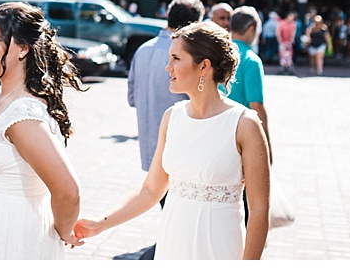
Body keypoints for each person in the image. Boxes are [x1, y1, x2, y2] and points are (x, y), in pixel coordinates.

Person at [74, 21, 271, 260]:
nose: (168, 67)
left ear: (204, 66)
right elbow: (150, 190)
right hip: (172, 244)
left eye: (176, 58)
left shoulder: (244, 124)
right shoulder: (172, 117)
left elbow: (260, 210)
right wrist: (100, 224)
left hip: (219, 248)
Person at [0, 2, 85, 259]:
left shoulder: (24, 117)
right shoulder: (0, 93)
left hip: (12, 235)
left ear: (22, 49)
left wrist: (62, 233)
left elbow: (68, 191)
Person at [126, 0, 204, 259]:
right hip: (183, 149)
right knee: (180, 219)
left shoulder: (143, 49)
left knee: (167, 207)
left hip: (149, 145)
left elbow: (132, 99)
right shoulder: (184, 56)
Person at [227, 6, 271, 158]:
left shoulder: (219, 53)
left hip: (216, 127)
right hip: (241, 133)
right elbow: (256, 105)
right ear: (251, 29)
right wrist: (266, 146)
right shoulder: (251, 60)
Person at [276, 10, 298, 75]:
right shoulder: (282, 23)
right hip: (283, 42)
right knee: (282, 55)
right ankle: (282, 67)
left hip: (288, 42)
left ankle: (289, 68)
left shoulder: (293, 24)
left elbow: (293, 33)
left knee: (289, 56)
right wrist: (280, 40)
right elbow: (278, 33)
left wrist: (291, 40)